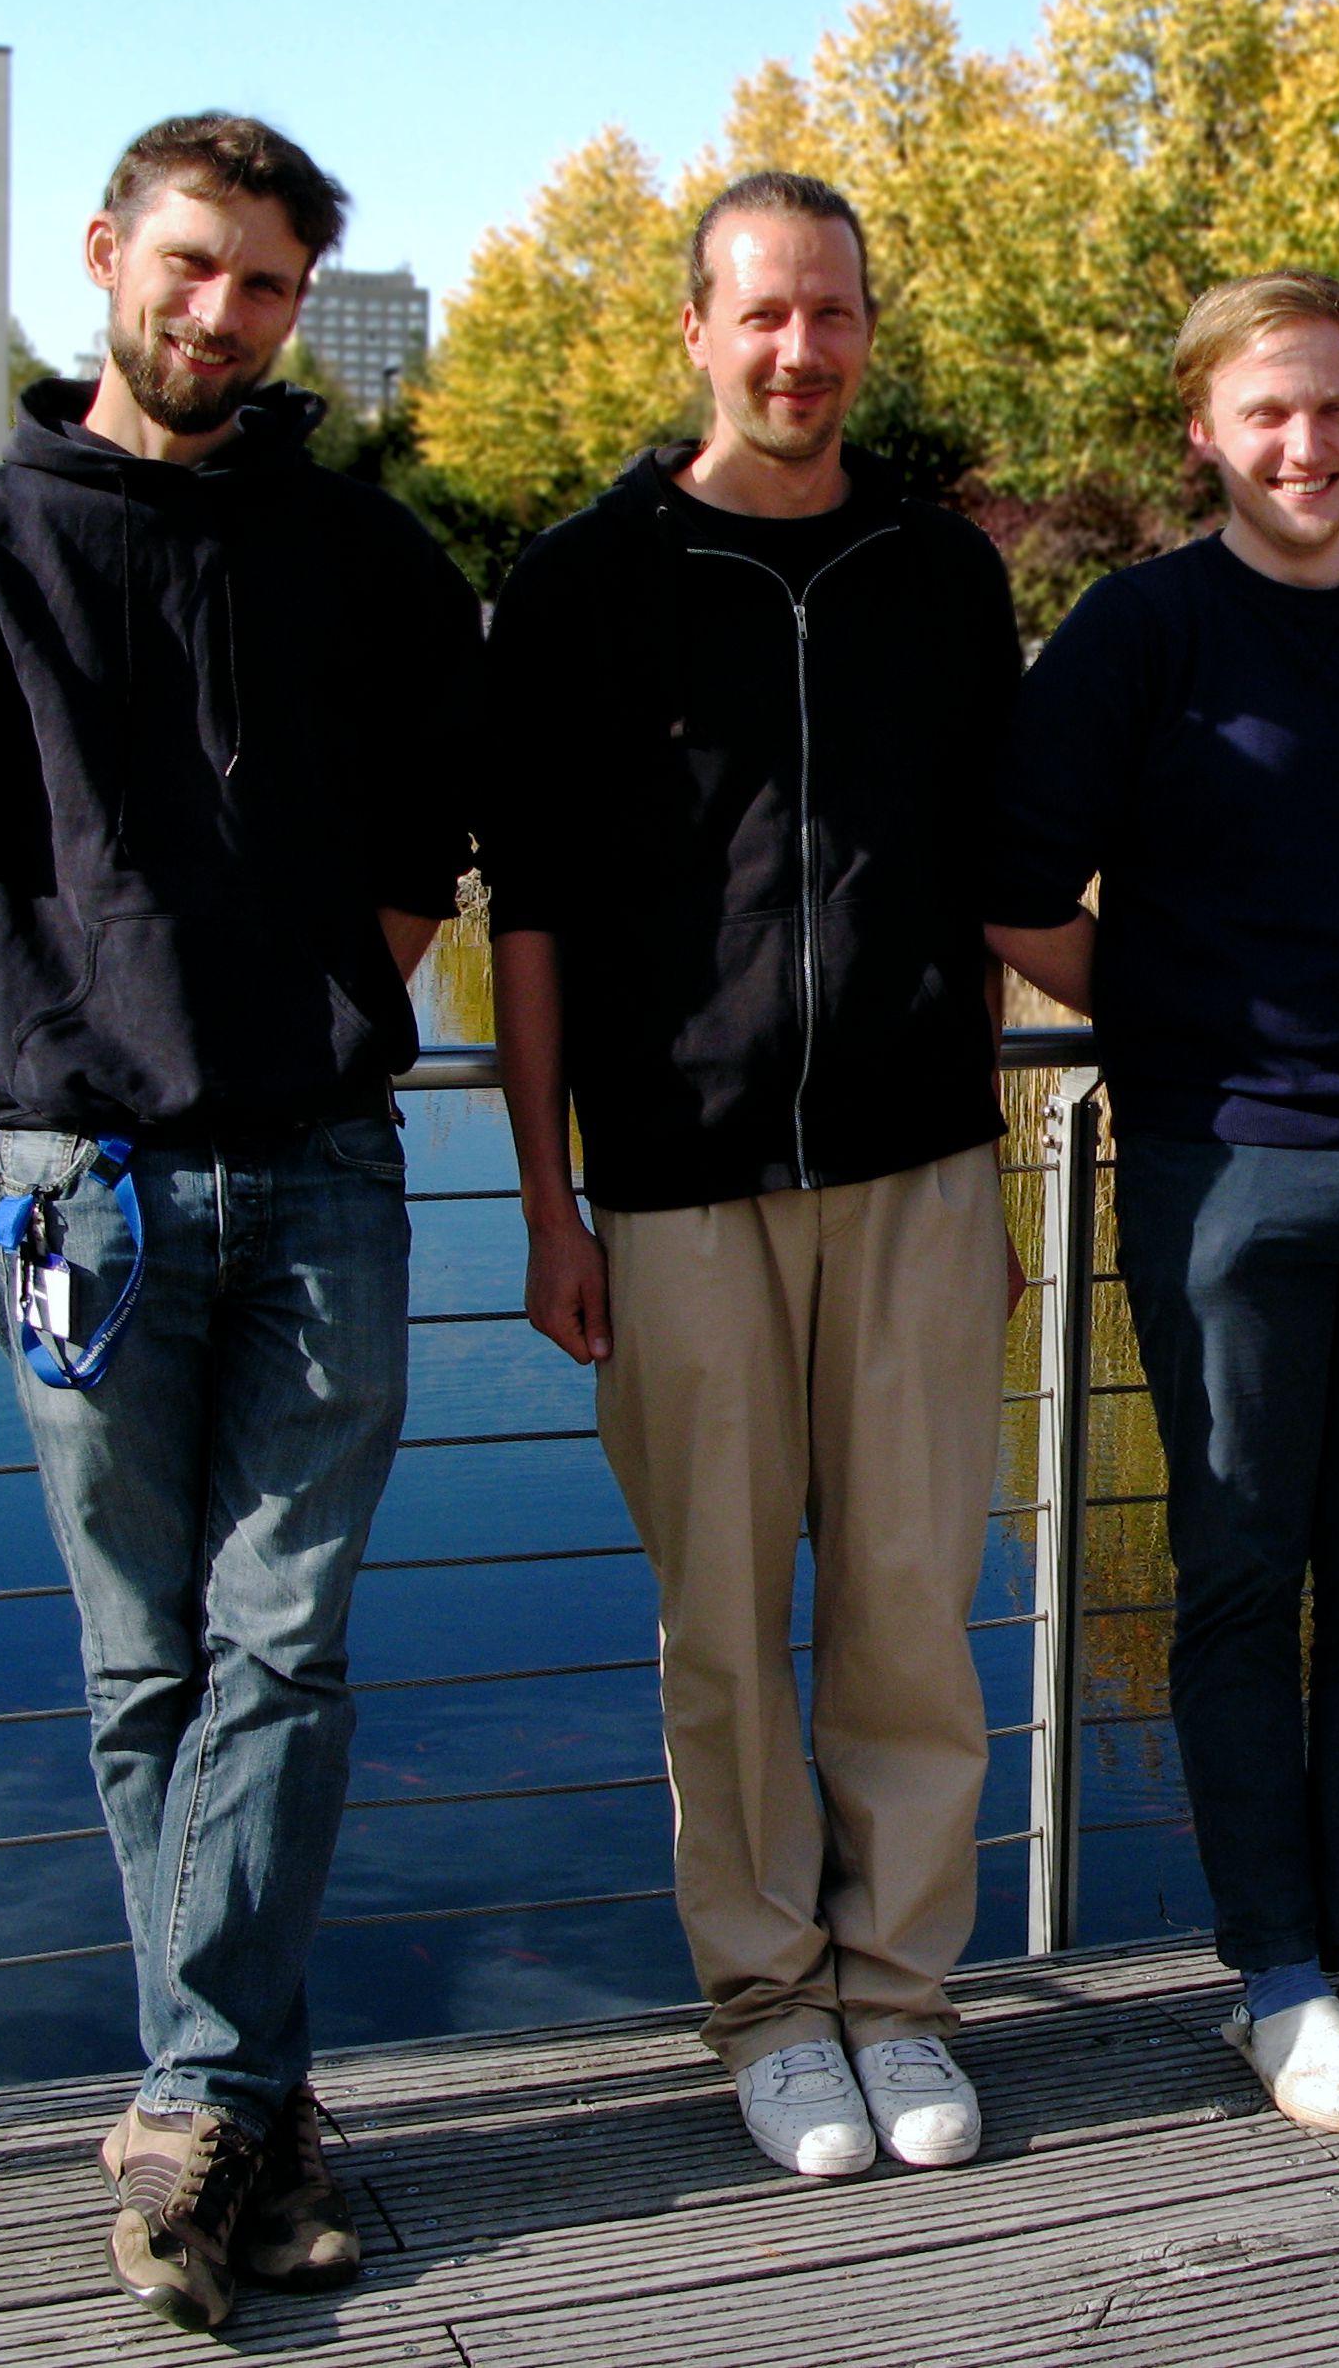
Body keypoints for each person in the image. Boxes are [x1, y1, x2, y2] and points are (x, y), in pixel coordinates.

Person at [0, 115, 479, 2332]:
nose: (223, 314)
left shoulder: (366, 560)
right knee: (144, 1664)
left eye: (265, 284)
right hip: (79, 1198)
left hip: (322, 1172)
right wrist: (44, 1070)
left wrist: (310, 1018)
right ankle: (248, 2113)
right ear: (109, 250)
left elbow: (424, 828)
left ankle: (197, 2099)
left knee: (280, 1646)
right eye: (192, 265)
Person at [479, 173, 1023, 2179]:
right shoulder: (580, 582)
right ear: (698, 330)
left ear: (867, 328)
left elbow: (983, 887)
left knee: (909, 1611)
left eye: (834, 312)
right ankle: (771, 2008)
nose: (802, 350)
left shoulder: (941, 574)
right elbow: (529, 916)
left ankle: (901, 1993)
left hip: (917, 1172)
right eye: (765, 313)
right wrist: (550, 1205)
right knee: (720, 1628)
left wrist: (990, 1172)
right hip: (678, 1183)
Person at [987, 272, 1339, 2139]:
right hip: (1217, 1171)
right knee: (1241, 1575)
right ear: (1205, 432)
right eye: (1266, 412)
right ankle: (1277, 1979)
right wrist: (1191, 1017)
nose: (1303, 444)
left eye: (1333, 409)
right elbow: (1014, 890)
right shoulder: (1139, 632)